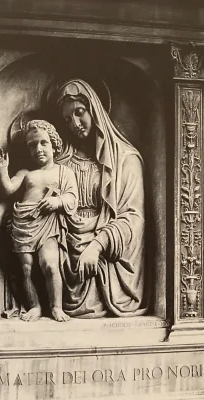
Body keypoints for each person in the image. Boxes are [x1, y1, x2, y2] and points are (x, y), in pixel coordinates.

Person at [53, 79, 149, 318]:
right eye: (67, 119)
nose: (75, 124)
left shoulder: (126, 160)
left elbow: (133, 218)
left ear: (94, 109)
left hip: (108, 261)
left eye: (80, 112)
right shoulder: (61, 164)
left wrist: (97, 245)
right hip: (67, 254)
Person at [0, 120, 79, 322]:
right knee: (26, 268)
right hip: (23, 223)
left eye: (43, 143)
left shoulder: (64, 172)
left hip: (47, 224)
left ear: (54, 145)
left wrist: (57, 201)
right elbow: (8, 190)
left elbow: (73, 198)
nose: (38, 149)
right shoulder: (25, 173)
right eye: (32, 145)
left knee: (50, 264)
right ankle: (35, 306)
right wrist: (2, 170)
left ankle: (56, 307)